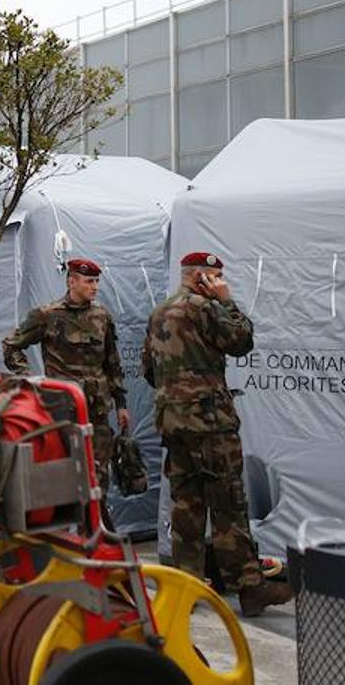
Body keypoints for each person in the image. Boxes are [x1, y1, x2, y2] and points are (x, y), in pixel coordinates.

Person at [141, 252, 292, 615]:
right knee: (228, 503)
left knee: (187, 507)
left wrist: (177, 394)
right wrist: (226, 299)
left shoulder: (160, 312)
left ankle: (186, 589)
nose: (222, 281)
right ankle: (250, 589)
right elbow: (242, 341)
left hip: (173, 423)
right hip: (209, 423)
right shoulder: (205, 307)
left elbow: (149, 370)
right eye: (217, 276)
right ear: (202, 278)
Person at [2, 258, 129, 498]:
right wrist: (32, 380)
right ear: (72, 281)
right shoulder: (47, 315)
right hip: (63, 410)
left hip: (97, 412)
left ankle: (96, 528)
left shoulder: (101, 317)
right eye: (89, 281)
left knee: (98, 475)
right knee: (66, 471)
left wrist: (121, 404)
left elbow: (112, 363)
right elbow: (11, 346)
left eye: (96, 281)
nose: (95, 287)